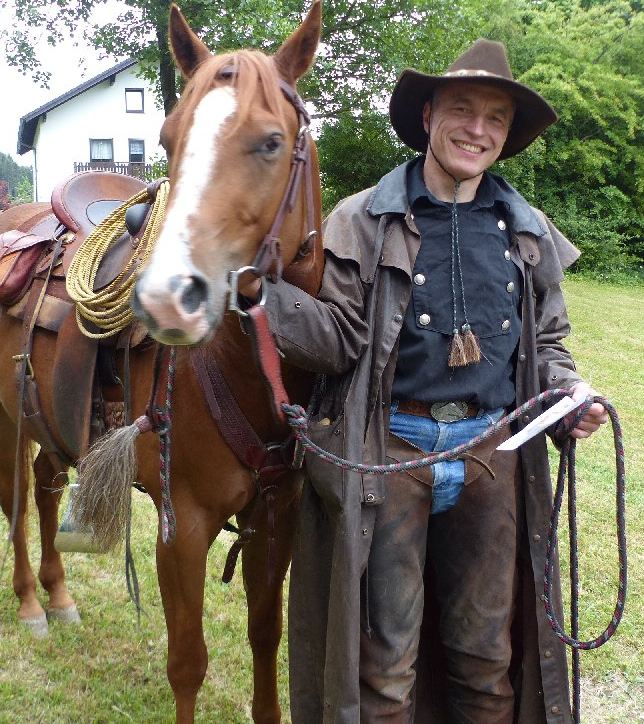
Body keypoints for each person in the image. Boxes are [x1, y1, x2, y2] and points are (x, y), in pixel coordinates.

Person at [255, 39, 608, 723]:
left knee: (486, 659)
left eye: (496, 118)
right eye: (462, 110)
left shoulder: (526, 230)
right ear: (427, 116)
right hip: (393, 452)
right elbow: (340, 340)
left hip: (492, 455)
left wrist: (569, 395)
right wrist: (260, 296)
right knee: (386, 665)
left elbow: (547, 344)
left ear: (507, 135)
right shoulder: (364, 218)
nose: (478, 129)